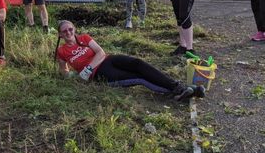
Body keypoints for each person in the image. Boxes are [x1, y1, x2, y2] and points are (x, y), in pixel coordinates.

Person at [55, 20, 204, 100]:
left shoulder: (84, 38)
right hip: (100, 74)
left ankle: (179, 88)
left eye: (70, 29)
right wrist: (72, 76)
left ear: (74, 29)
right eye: (64, 31)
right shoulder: (61, 51)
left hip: (108, 60)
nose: (68, 32)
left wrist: (87, 69)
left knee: (137, 63)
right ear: (60, 35)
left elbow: (100, 52)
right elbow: (64, 69)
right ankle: (180, 91)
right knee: (139, 78)